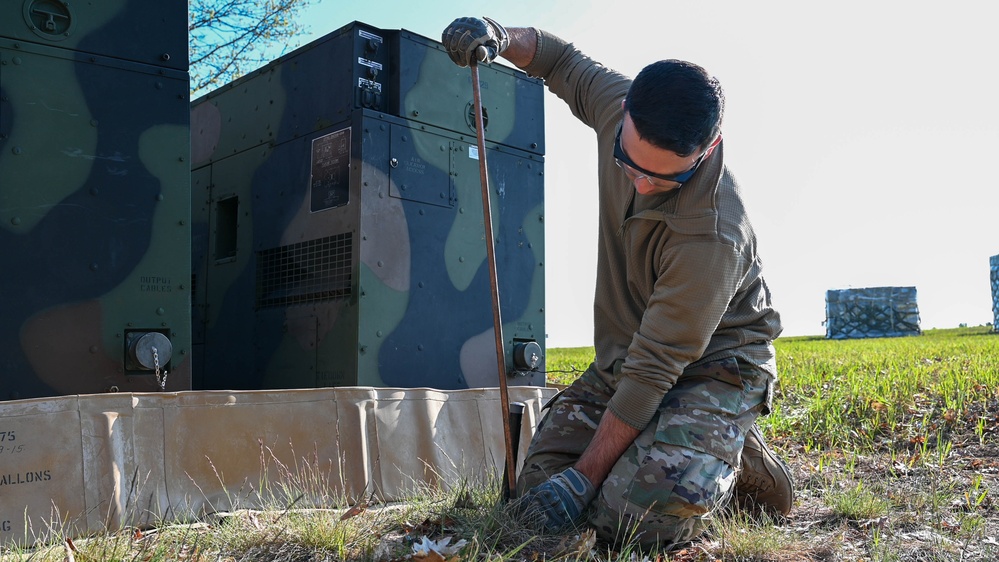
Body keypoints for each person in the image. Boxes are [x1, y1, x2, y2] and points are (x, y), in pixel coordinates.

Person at [441, 18, 794, 549]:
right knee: (536, 493)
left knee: (633, 521)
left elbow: (655, 370)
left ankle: (736, 453)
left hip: (713, 368)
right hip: (624, 360)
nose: (645, 184)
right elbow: (558, 61)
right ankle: (680, 445)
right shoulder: (618, 104)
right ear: (624, 115)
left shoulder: (713, 234)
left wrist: (586, 477)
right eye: (632, 164)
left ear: (708, 147)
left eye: (666, 177)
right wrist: (496, 33)